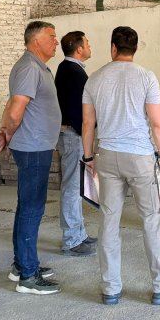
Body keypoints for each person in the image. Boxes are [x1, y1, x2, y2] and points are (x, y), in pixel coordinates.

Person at [81, 26, 160, 306]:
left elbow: (88, 123)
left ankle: (110, 289)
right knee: (152, 220)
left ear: (113, 48)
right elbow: (158, 123)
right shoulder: (146, 77)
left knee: (108, 221)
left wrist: (89, 158)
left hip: (107, 156)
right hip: (140, 157)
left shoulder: (94, 79)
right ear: (135, 48)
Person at [0, 20, 62, 294]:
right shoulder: (30, 67)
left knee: (27, 208)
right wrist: (7, 133)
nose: (56, 41)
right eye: (51, 36)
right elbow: (15, 109)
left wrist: (6, 133)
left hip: (36, 145)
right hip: (33, 148)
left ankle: (22, 265)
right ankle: (28, 277)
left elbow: (13, 106)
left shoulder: (36, 67)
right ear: (36, 41)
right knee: (32, 209)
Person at [54, 31, 96, 256]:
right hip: (73, 136)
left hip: (73, 134)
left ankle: (79, 233)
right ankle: (71, 240)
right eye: (87, 43)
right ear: (79, 49)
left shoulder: (69, 69)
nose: (90, 46)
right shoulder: (73, 72)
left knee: (77, 186)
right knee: (72, 187)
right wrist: (86, 133)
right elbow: (75, 110)